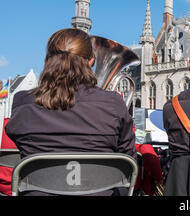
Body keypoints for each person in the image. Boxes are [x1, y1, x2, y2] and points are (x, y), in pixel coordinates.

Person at [5, 28, 136, 195]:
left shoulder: (23, 101)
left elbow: (16, 139)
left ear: (47, 61)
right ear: (91, 62)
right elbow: (128, 158)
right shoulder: (113, 102)